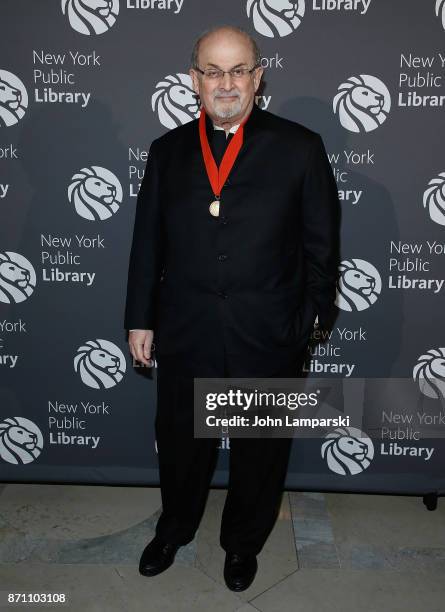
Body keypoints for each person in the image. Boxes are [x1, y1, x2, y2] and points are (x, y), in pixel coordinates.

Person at [124, 25, 340, 591]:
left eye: (239, 69)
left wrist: (311, 319)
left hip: (268, 333)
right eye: (214, 71)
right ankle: (175, 528)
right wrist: (140, 317)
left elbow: (322, 246)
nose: (227, 83)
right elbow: (148, 242)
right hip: (186, 329)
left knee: (258, 454)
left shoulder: (300, 147)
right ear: (194, 80)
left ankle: (243, 544)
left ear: (258, 77)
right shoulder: (167, 151)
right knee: (181, 442)